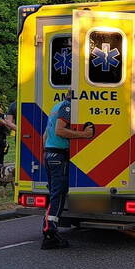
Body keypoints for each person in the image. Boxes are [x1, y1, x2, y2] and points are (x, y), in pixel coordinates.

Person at [41, 97, 94, 250]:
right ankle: (50, 232)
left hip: (50, 154)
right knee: (59, 195)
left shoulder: (56, 106)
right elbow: (59, 130)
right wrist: (84, 135)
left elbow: (45, 136)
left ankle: (48, 228)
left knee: (54, 195)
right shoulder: (68, 106)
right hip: (58, 156)